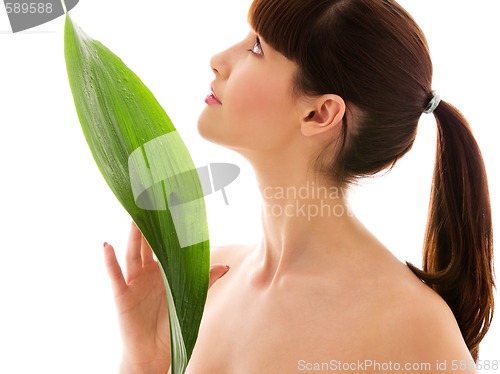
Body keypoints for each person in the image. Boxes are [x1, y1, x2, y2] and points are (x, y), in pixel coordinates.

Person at [103, 0, 495, 372]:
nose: (218, 60)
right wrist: (143, 364)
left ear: (320, 113)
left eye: (256, 48)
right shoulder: (208, 282)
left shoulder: (414, 328)